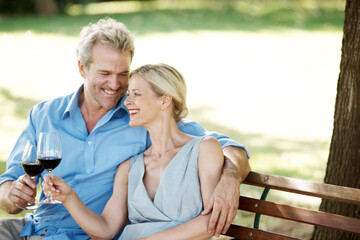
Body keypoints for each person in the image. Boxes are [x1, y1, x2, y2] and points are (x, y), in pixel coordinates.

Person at [0, 18, 250, 240]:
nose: (115, 85)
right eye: (105, 73)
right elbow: (6, 188)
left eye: (123, 74)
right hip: (32, 226)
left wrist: (230, 177)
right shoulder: (44, 115)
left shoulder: (141, 118)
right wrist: (15, 194)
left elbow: (228, 148)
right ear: (82, 68)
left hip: (87, 234)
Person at [43, 63, 225, 239]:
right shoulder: (129, 167)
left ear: (165, 100)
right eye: (129, 94)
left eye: (136, 94)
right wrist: (68, 197)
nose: (127, 102)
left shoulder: (204, 149)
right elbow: (106, 229)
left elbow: (211, 220)